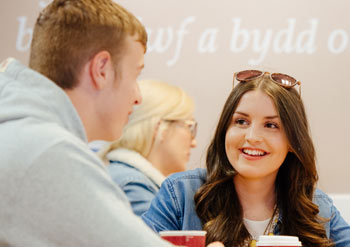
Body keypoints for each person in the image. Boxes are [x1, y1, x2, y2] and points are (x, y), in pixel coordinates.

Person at [0, 1, 227, 246]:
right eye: (136, 74)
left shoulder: (21, 129)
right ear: (101, 69)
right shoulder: (49, 150)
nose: (138, 96)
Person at [142, 70, 350, 247]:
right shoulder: (180, 194)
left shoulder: (316, 207)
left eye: (271, 125)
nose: (251, 137)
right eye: (241, 121)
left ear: (293, 142)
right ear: (225, 129)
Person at [99, 79, 197, 216]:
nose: (194, 143)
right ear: (160, 129)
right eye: (190, 127)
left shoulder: (118, 175)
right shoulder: (134, 187)